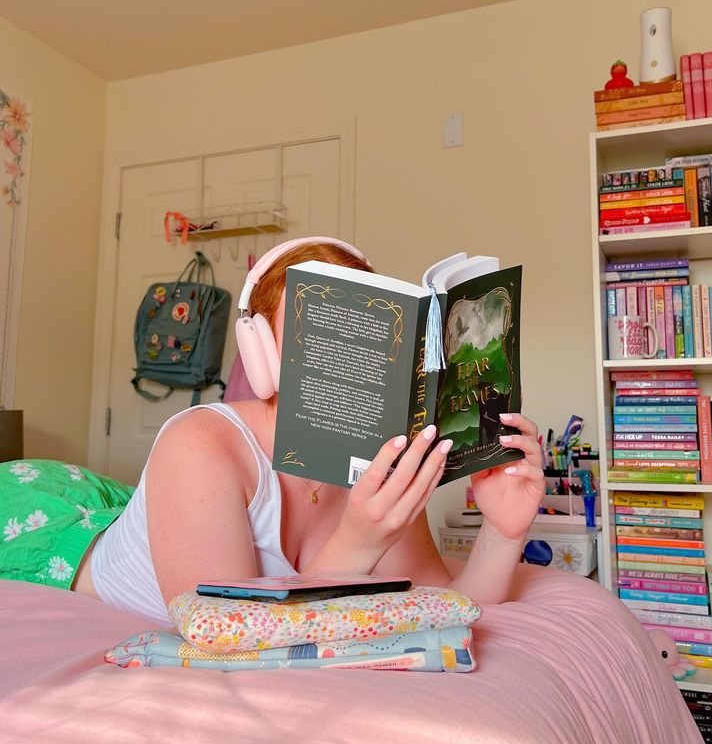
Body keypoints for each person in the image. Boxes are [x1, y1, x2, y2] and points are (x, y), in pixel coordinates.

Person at [1, 238, 545, 623]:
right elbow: (223, 635)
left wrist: (504, 530)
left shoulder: (386, 454)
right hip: (59, 547)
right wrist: (359, 542)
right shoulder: (198, 445)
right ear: (260, 354)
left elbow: (448, 605)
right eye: (321, 331)